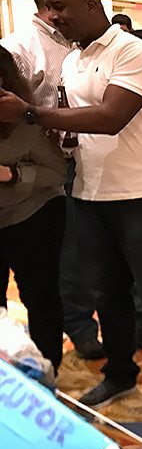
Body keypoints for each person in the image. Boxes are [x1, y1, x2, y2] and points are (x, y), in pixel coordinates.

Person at [0, 0, 142, 418]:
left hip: (141, 192)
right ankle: (120, 373)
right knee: (108, 292)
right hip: (89, 191)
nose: (53, 16)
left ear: (91, 4)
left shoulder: (134, 51)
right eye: (49, 7)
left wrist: (28, 112)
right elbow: (74, 123)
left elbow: (109, 118)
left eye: (61, 7)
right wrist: (58, 138)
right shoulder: (72, 60)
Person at [0, 0, 105, 361]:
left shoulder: (79, 46)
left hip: (82, 158)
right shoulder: (19, 47)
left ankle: (98, 324)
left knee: (90, 252)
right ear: (49, 5)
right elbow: (16, 110)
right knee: (61, 262)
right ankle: (75, 328)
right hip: (41, 164)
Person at [0, 46, 68, 371]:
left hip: (34, 215)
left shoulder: (26, 120)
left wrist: (13, 174)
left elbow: (58, 173)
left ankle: (47, 370)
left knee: (40, 300)